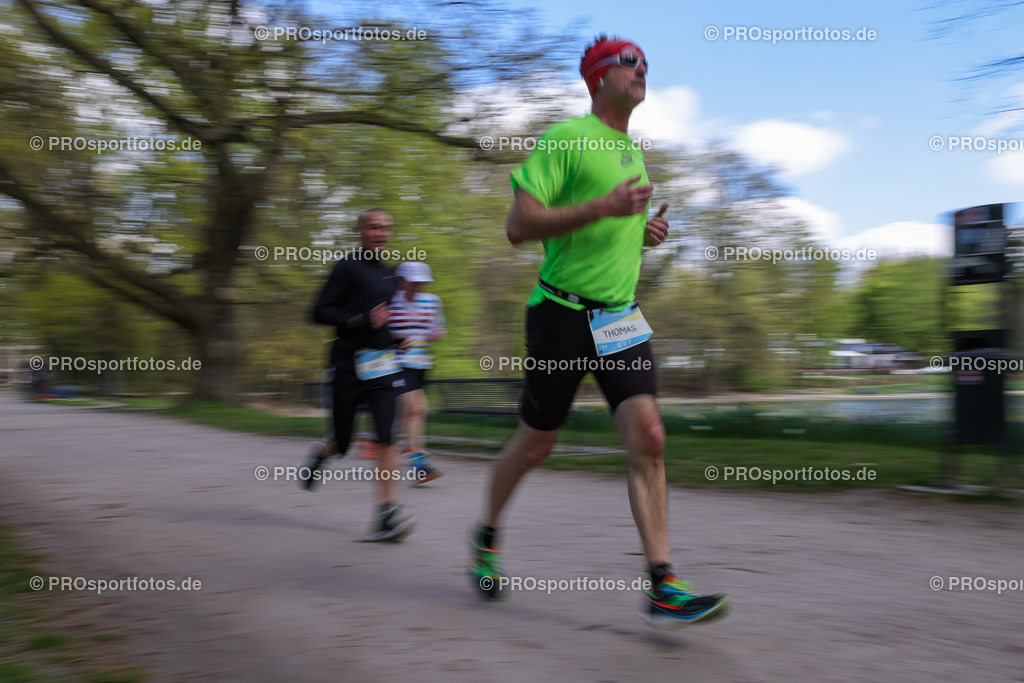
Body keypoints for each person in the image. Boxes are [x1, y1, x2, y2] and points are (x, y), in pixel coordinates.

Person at [468, 35, 730, 627]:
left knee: (651, 436)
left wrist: (640, 234)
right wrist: (607, 209)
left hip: (619, 317)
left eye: (646, 64)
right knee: (537, 442)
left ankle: (662, 583)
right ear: (597, 77)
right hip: (560, 313)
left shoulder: (634, 155)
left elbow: (605, 233)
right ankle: (486, 536)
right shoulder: (566, 139)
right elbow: (520, 226)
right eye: (629, 62)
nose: (642, 70)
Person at [300, 209, 414, 542]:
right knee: (343, 443)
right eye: (374, 227)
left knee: (386, 437)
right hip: (347, 365)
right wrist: (360, 321)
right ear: (359, 231)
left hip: (383, 366)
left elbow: (385, 321)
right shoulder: (347, 267)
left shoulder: (392, 275)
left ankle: (386, 515)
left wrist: (395, 338)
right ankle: (321, 454)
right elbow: (319, 312)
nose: (381, 233)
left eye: (386, 228)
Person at [390, 261, 446, 483]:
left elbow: (437, 327)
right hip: (397, 362)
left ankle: (393, 443)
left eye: (421, 282)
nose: (418, 285)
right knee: (415, 408)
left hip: (422, 363)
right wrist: (396, 341)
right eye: (413, 281)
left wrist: (436, 334)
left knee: (412, 412)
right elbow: (381, 331)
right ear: (403, 280)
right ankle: (420, 465)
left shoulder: (432, 301)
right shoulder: (391, 302)